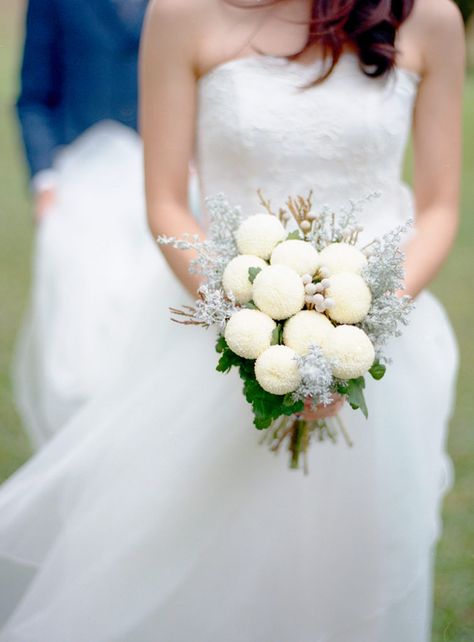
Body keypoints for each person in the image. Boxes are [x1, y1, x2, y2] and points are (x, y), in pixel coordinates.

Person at [0, 0, 463, 640]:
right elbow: (165, 203)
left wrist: (359, 327)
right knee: (194, 571)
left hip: (381, 353)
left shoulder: (429, 19)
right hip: (222, 334)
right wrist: (254, 326)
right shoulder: (182, 13)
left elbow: (440, 206)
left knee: (349, 574)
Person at [13, 0, 200, 446]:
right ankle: (85, 443)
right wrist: (46, 184)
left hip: (173, 180)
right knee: (86, 326)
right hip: (84, 183)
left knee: (159, 318)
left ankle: (150, 438)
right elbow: (34, 96)